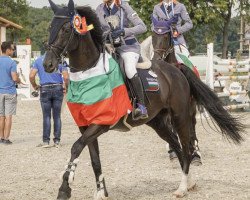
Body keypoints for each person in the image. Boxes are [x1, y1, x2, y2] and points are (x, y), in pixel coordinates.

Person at [152, 1, 202, 163]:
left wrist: (176, 31)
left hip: (178, 43)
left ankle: (195, 92)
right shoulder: (156, 8)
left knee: (188, 65)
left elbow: (189, 23)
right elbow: (154, 26)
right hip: (161, 43)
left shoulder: (180, 7)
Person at [96, 0, 148, 120]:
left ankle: (142, 106)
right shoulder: (99, 9)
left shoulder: (125, 7)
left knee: (129, 69)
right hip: (108, 47)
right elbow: (95, 27)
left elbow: (142, 27)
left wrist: (124, 31)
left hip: (128, 47)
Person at [29, 55, 69, 148]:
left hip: (44, 88)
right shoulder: (60, 60)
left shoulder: (39, 60)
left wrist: (35, 86)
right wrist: (67, 87)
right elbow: (66, 77)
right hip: (58, 87)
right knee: (57, 116)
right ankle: (57, 141)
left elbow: (31, 76)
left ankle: (46, 141)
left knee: (46, 116)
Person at [0, 41, 21, 144]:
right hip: (10, 92)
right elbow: (14, 77)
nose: (13, 51)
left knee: (1, 116)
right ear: (7, 50)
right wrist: (19, 79)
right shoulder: (11, 62)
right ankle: (6, 139)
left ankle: (1, 137)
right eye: (12, 49)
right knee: (8, 116)